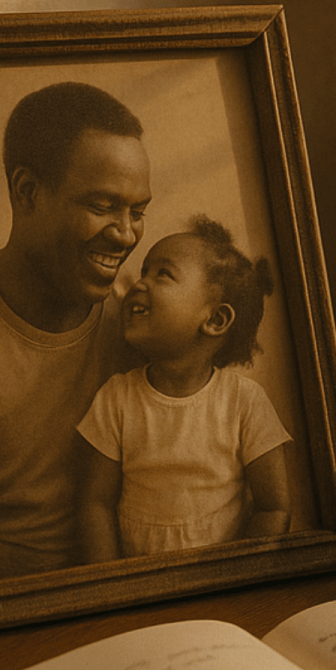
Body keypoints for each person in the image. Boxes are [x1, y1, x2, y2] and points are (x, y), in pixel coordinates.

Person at [0, 81, 152, 581]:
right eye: (103, 206)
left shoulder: (136, 319)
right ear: (27, 192)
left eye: (137, 211)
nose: (125, 234)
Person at [76, 215, 293, 561]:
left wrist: (239, 574)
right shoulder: (117, 397)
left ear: (215, 319)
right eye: (144, 270)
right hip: (139, 579)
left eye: (162, 274)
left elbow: (274, 509)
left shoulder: (244, 402)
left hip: (220, 581)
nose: (138, 283)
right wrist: (113, 584)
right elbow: (95, 505)